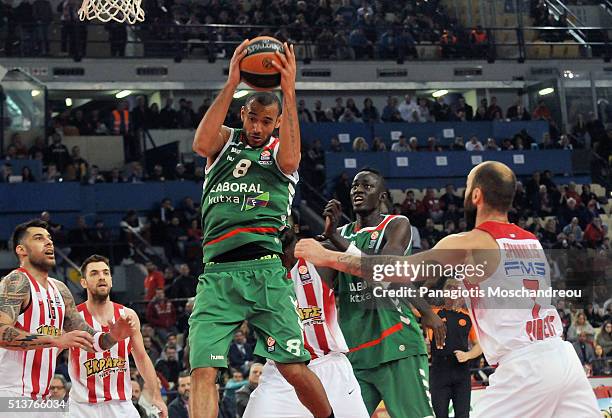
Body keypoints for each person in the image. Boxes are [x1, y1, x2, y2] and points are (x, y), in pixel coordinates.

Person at [296, 161, 601, 418]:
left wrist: (328, 255)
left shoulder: (467, 242)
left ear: (476, 195)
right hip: (564, 358)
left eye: (468, 187)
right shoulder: (531, 242)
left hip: (525, 367)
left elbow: (393, 270)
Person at [190, 39, 334, 418]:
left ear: (277, 122)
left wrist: (289, 90)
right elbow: (199, 142)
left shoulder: (281, 152)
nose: (257, 127)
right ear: (243, 113)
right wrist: (233, 79)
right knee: (203, 370)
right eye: (252, 118)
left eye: (266, 121)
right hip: (218, 273)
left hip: (266, 270)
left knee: (292, 367)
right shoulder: (224, 142)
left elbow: (290, 157)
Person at [315, 169, 445, 418]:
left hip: (396, 343)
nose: (358, 191)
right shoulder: (339, 234)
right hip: (356, 351)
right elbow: (324, 284)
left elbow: (386, 270)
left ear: (382, 195)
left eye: (367, 186)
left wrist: (426, 310)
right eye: (354, 186)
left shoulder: (396, 224)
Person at [0, 220, 135, 414]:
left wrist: (112, 336)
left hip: (41, 398)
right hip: (9, 394)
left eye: (49, 238)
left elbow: (89, 338)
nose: (49, 243)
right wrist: (56, 340)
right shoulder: (16, 281)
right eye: (39, 238)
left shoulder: (60, 289)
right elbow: (1, 331)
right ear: (21, 250)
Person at [243, 227, 369, 418]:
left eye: (283, 219)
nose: (278, 224)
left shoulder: (319, 255)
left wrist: (335, 238)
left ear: (295, 227)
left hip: (329, 367)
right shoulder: (253, 271)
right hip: (280, 373)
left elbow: (375, 270)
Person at [68, 254, 167, 418]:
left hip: (121, 405)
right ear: (83, 282)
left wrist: (156, 396)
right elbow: (50, 354)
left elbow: (142, 358)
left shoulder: (128, 315)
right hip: (82, 407)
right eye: (94, 273)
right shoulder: (72, 318)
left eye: (106, 273)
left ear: (111, 280)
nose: (102, 277)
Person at [429, 280, 482, 418]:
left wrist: (468, 355)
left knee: (463, 415)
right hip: (439, 371)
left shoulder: (468, 316)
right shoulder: (433, 312)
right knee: (440, 415)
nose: (453, 290)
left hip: (461, 372)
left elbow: (479, 345)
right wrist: (428, 284)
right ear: (444, 291)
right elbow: (412, 306)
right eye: (449, 287)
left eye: (456, 288)